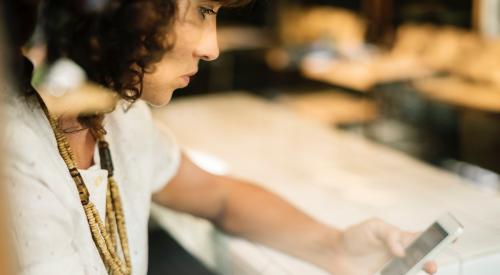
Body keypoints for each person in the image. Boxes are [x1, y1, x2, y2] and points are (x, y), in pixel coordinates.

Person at [3, 0, 437, 275]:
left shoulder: (121, 117)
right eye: (203, 11)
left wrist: (338, 249)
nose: (212, 47)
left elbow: (216, 196)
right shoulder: (16, 157)